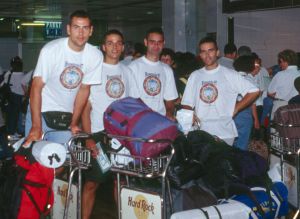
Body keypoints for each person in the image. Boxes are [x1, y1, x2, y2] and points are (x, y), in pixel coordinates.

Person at [81, 29, 139, 219]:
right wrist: (88, 138)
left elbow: (133, 104)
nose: (114, 47)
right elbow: (85, 108)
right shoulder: (94, 71)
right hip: (99, 135)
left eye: (118, 43)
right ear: (103, 47)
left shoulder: (127, 71)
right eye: (110, 43)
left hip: (122, 138)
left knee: (120, 181)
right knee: (93, 182)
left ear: (123, 47)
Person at [24, 10, 103, 145]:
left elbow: (84, 90)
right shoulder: (51, 50)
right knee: (35, 160)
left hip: (66, 117)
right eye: (76, 27)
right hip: (42, 111)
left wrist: (74, 122)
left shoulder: (95, 55)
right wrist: (37, 126)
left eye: (85, 28)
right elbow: (36, 87)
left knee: (61, 162)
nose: (81, 33)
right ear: (68, 29)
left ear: (91, 31)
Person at [181, 37, 259, 145]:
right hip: (201, 132)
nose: (207, 55)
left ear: (217, 52)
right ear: (200, 55)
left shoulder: (229, 74)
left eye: (210, 50)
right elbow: (186, 103)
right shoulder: (195, 76)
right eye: (203, 52)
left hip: (225, 132)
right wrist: (190, 113)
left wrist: (236, 108)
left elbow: (254, 91)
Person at [129, 27, 178, 120]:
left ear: (163, 43)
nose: (156, 45)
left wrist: (169, 114)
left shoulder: (167, 70)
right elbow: (131, 100)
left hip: (159, 121)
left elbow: (170, 99)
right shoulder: (133, 67)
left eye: (159, 42)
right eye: (152, 42)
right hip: (138, 120)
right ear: (145, 42)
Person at [232, 55, 260, 150]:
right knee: (242, 142)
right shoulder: (250, 81)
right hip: (244, 112)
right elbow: (253, 103)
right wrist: (256, 119)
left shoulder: (231, 77)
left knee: (231, 141)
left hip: (230, 111)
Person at [268, 49, 300, 119]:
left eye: (281, 61)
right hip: (297, 107)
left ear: (286, 62)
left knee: (277, 128)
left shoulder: (280, 74)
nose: (280, 64)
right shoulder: (299, 73)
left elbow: (270, 93)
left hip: (280, 105)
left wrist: (279, 95)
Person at [3, 56, 25, 136]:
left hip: (10, 97)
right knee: (17, 116)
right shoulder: (23, 75)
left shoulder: (8, 74)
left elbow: (3, 85)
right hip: (19, 98)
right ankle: (14, 132)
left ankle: (10, 132)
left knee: (11, 116)